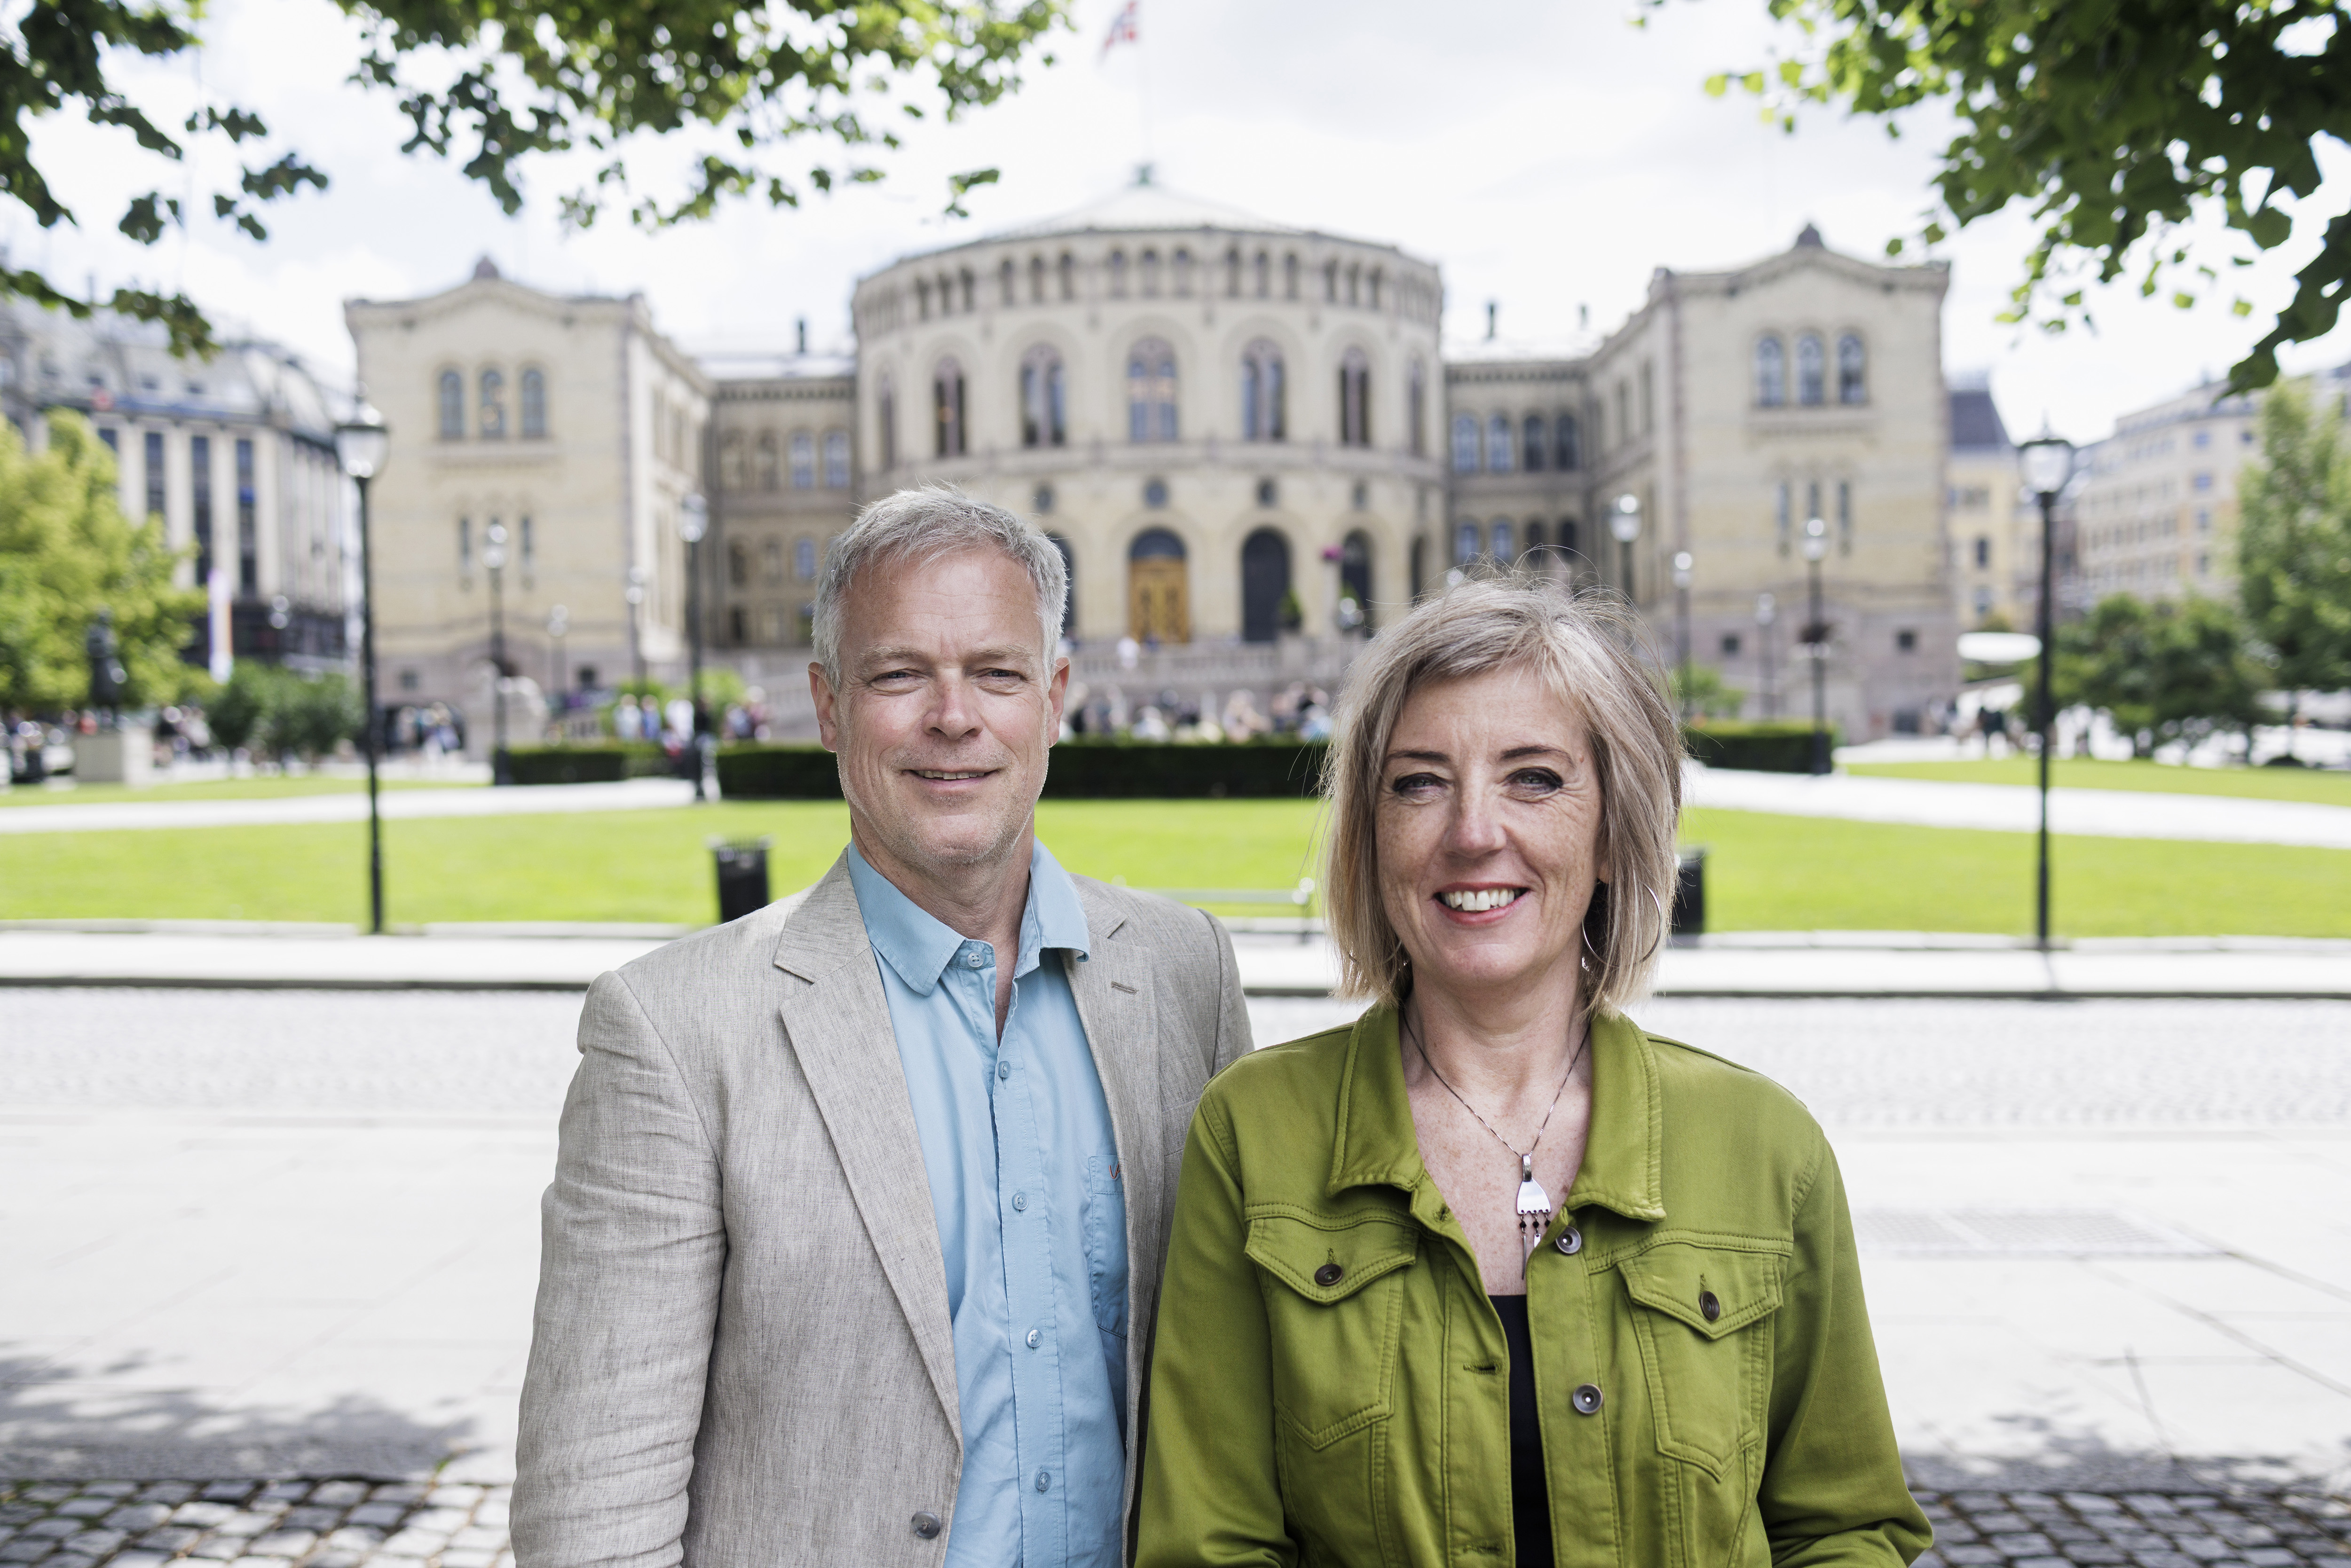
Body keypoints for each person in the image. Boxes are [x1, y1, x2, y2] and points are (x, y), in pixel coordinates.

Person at [515, 488, 1254, 1567]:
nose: (953, 717)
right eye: (900, 675)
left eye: (996, 673)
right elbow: (596, 1506)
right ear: (828, 706)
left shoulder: (1188, 974)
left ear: (1054, 698)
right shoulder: (676, 1032)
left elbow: (1244, 1395)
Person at [1138, 576, 1928, 1568]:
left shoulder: (1765, 1147)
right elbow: (1207, 1545)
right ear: (1370, 837)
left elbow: (1847, 1529)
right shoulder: (1255, 1134)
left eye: (1535, 779)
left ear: (1613, 836)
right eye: (1419, 783)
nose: (1473, 832)